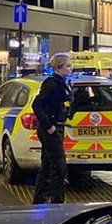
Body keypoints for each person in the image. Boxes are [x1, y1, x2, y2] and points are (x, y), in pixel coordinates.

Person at [32, 53, 74, 204]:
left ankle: (39, 201)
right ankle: (57, 204)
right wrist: (49, 127)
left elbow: (65, 104)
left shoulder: (63, 82)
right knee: (59, 167)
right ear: (58, 67)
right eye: (68, 66)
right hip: (50, 129)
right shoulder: (51, 83)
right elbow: (36, 105)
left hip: (57, 127)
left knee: (48, 166)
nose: (71, 69)